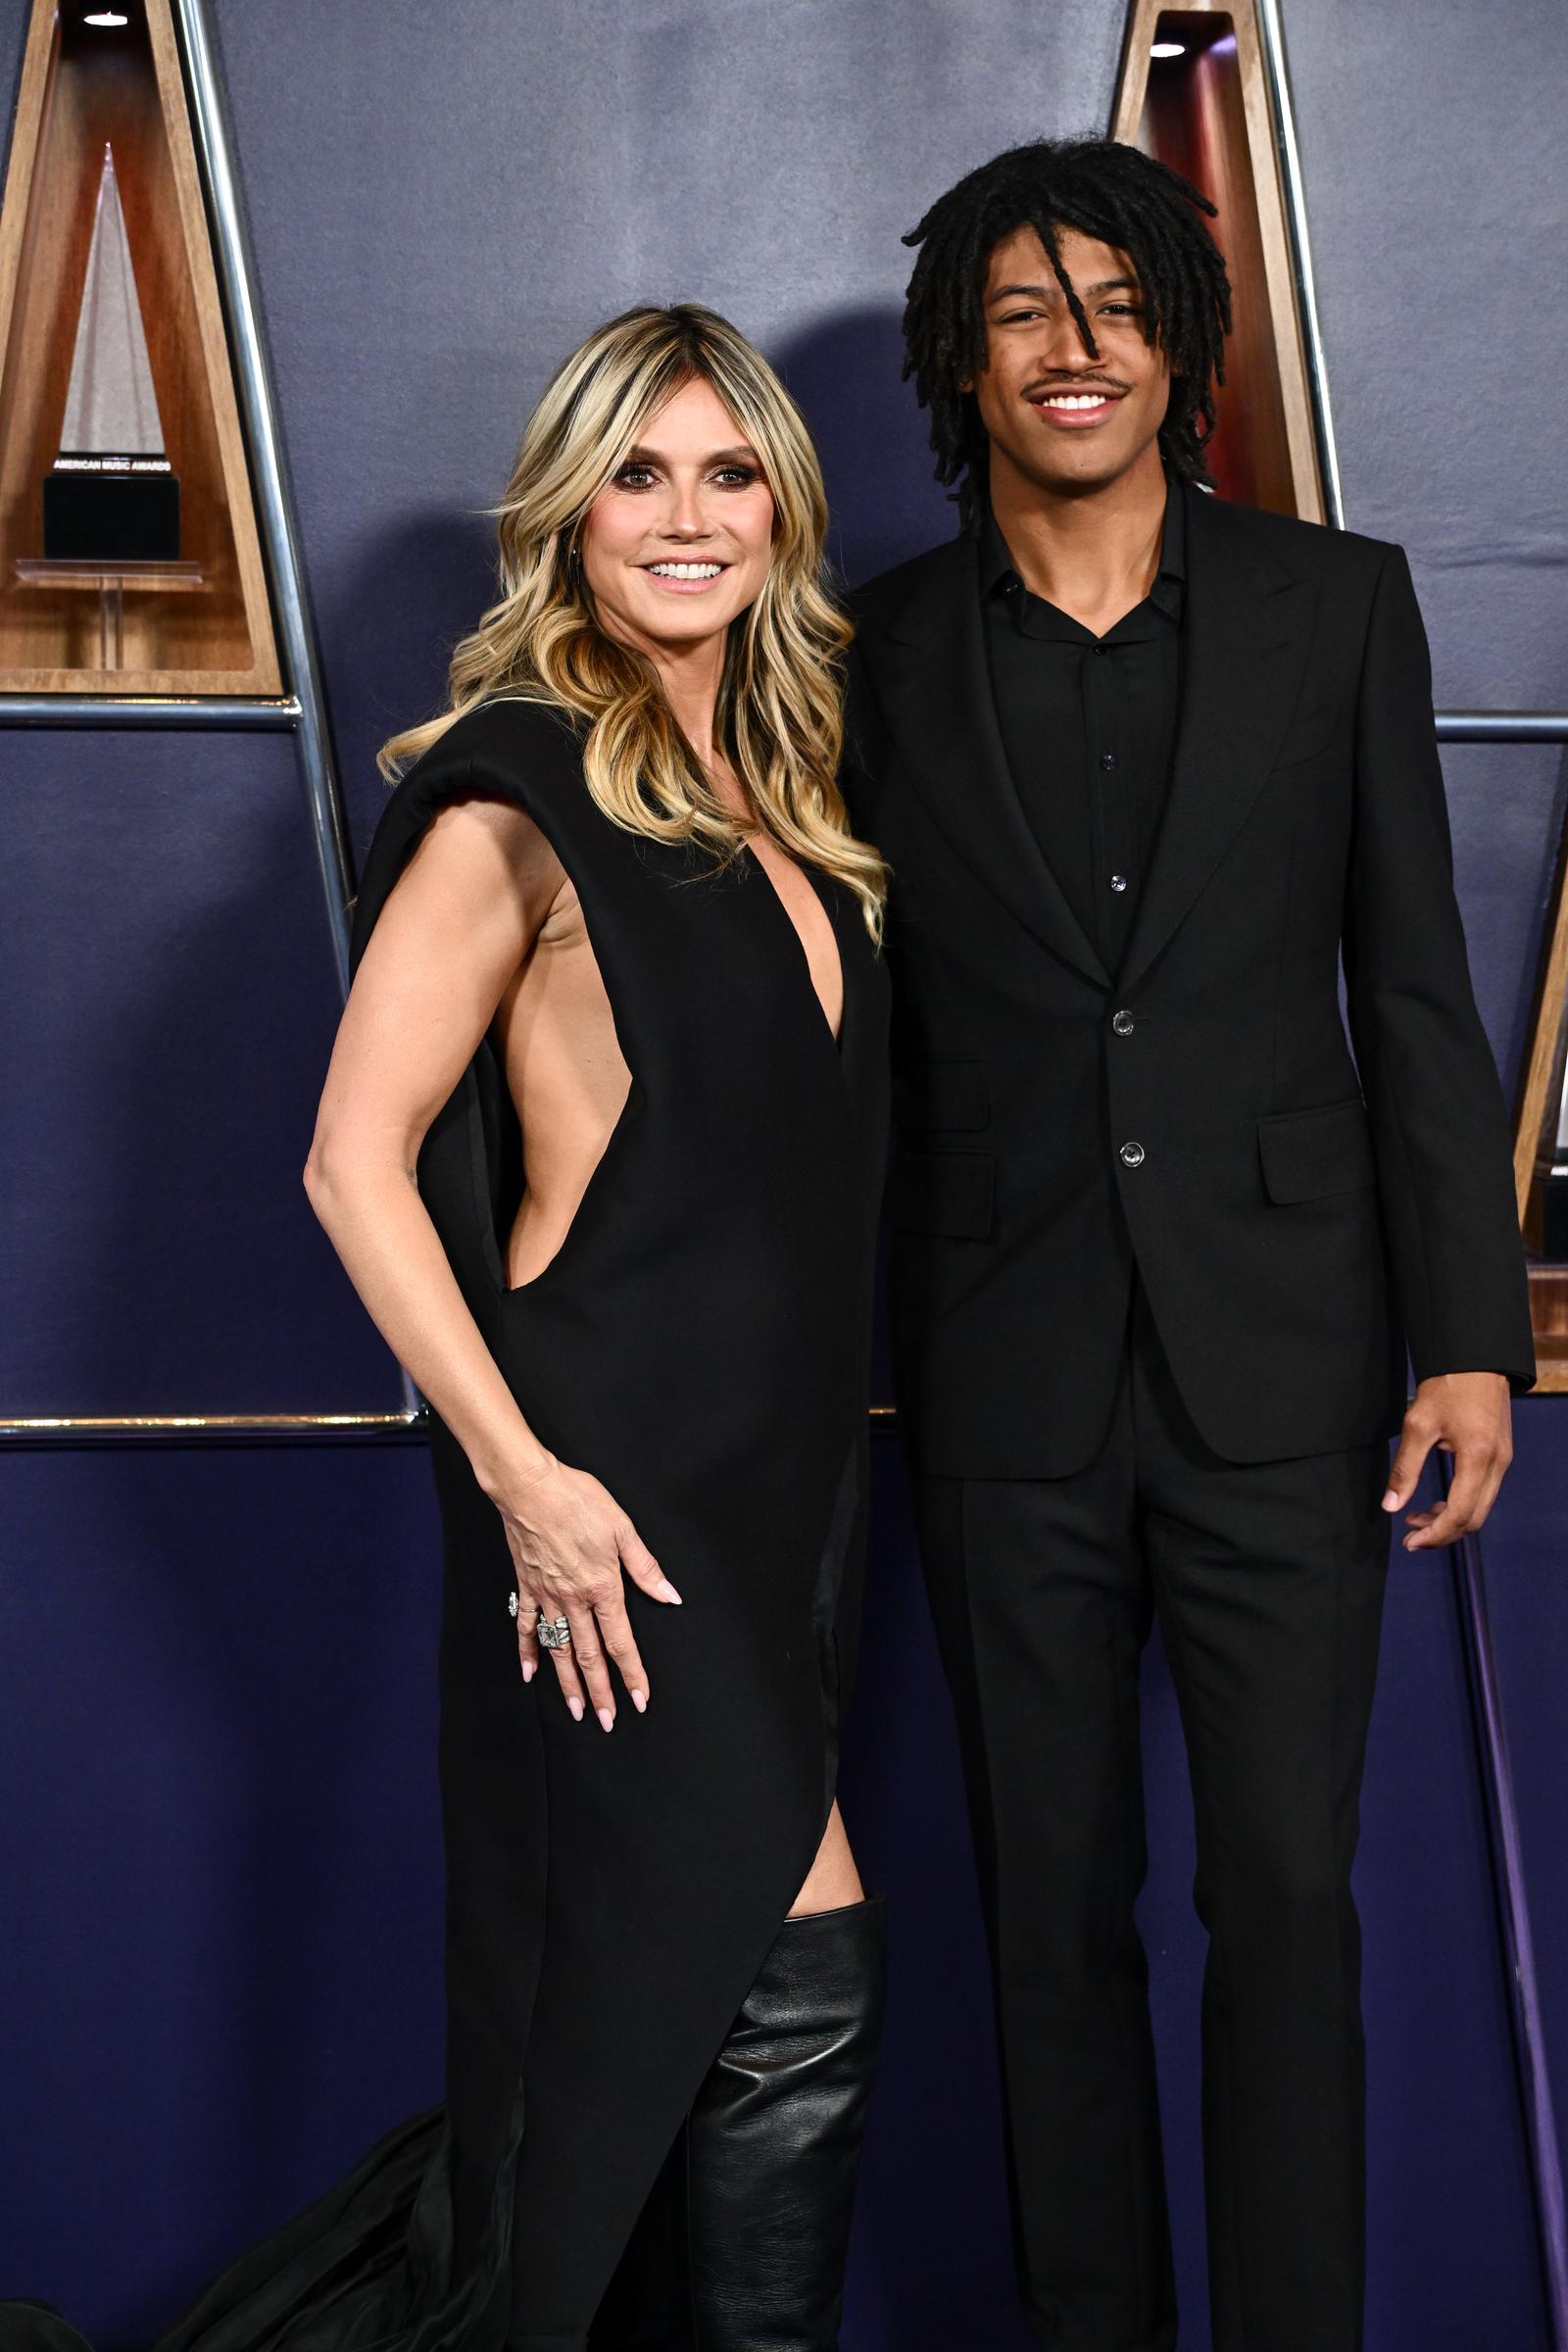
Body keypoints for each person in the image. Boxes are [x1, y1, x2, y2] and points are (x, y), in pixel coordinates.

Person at [6, 304, 891, 2352]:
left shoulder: (782, 802)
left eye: (726, 472)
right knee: (785, 1974)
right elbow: (348, 1155)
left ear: (781, 507)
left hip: (770, 1519)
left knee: (668, 2034)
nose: (684, 516)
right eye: (635, 474)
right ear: (567, 518)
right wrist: (527, 1490)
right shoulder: (516, 787)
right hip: (609, 1507)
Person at [842, 136, 1536, 2352]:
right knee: (1044, 1923)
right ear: (963, 351)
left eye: (1116, 307)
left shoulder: (1337, 604)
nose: (1073, 350)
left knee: (1282, 1904)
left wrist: (1460, 1341)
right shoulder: (865, 650)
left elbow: (1411, 993)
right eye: (1026, 310)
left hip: (1288, 1368)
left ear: (1181, 345)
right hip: (997, 1369)